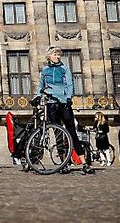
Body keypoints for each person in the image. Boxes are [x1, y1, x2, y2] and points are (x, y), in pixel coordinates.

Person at [37, 46, 94, 174]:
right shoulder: (45, 70)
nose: (57, 57)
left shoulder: (65, 69)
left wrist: (68, 97)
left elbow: (69, 84)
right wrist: (37, 97)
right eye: (55, 54)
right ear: (49, 56)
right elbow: (40, 85)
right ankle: (64, 164)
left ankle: (84, 163)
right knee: (58, 135)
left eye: (58, 55)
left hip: (64, 103)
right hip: (51, 103)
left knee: (72, 133)